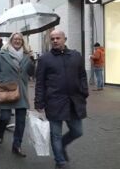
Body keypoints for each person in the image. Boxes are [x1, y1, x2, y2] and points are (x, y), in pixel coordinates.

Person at [34, 29, 88, 169]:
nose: (55, 41)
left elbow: (82, 75)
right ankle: (60, 161)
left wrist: (84, 92)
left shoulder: (76, 56)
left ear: (65, 39)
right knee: (55, 134)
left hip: (74, 102)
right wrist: (38, 102)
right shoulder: (45, 59)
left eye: (58, 38)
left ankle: (62, 146)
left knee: (77, 131)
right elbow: (40, 83)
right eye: (52, 39)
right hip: (54, 102)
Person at [0, 32, 35, 157]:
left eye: (20, 39)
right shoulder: (1, 54)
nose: (18, 41)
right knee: (4, 117)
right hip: (6, 90)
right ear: (11, 41)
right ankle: (1, 131)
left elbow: (31, 73)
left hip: (21, 91)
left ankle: (17, 145)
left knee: (21, 121)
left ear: (23, 42)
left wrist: (31, 59)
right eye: (15, 39)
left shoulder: (26, 55)